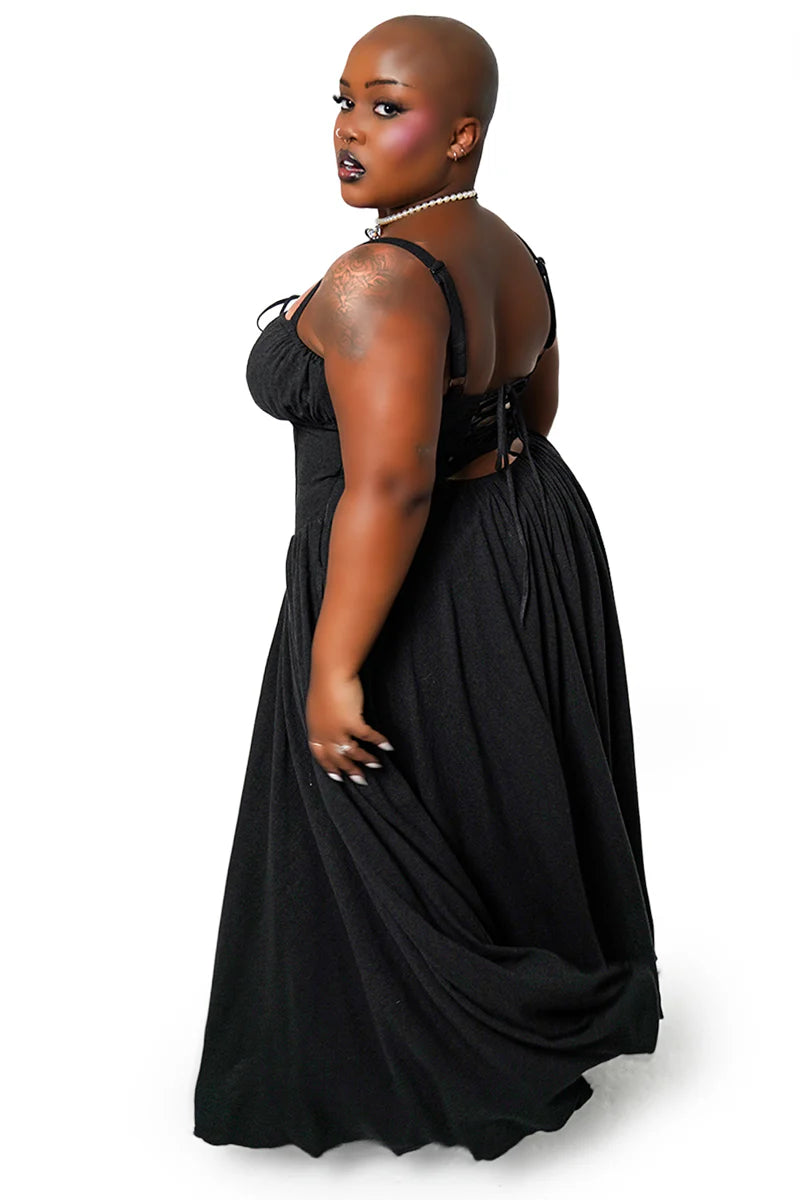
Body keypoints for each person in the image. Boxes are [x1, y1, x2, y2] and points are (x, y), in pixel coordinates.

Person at [193, 13, 663, 1162]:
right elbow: (531, 410)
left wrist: (335, 662)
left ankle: (439, 1054)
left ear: (461, 134)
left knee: (374, 793)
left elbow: (394, 482)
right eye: (342, 101)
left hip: (410, 560)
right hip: (527, 528)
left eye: (385, 107)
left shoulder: (377, 277)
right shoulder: (511, 250)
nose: (348, 131)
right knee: (494, 780)